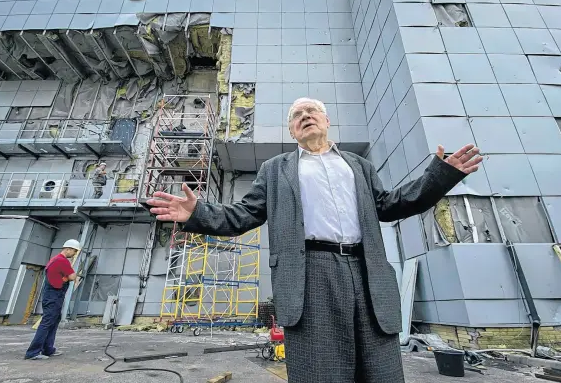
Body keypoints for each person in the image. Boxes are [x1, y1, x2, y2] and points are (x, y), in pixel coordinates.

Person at [146, 98, 482, 382]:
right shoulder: (276, 169)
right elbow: (242, 215)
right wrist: (197, 214)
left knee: (381, 369)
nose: (305, 116)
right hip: (310, 271)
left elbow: (391, 205)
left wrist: (439, 176)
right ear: (292, 130)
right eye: (297, 115)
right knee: (321, 368)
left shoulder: (359, 166)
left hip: (367, 270)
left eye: (312, 111)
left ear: (326, 120)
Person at [24, 239, 82, 360]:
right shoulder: (62, 261)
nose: (74, 254)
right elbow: (72, 276)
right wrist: (70, 277)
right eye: (74, 251)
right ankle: (33, 352)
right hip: (54, 295)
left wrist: (66, 277)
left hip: (53, 295)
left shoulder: (54, 259)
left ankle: (48, 349)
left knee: (53, 321)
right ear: (68, 249)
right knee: (47, 323)